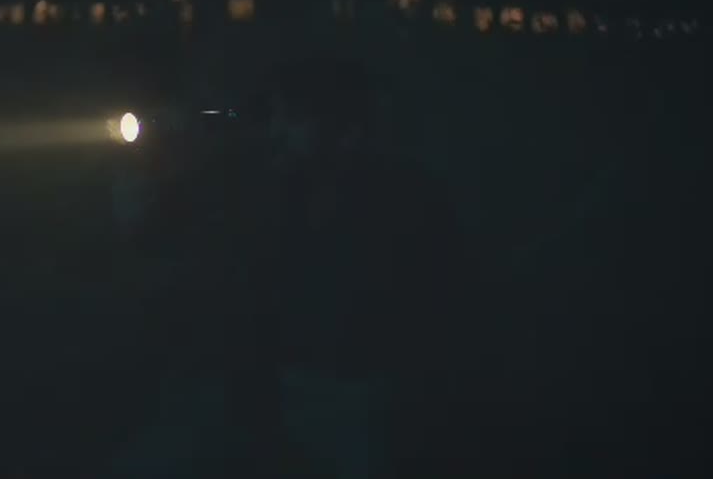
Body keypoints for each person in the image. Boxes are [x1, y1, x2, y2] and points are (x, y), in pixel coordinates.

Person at [107, 56, 472, 479]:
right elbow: (151, 232)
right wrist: (150, 166)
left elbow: (432, 301)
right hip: (274, 391)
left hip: (349, 396)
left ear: (343, 126)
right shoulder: (274, 181)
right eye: (276, 117)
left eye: (291, 118)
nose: (277, 132)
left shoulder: (393, 197)